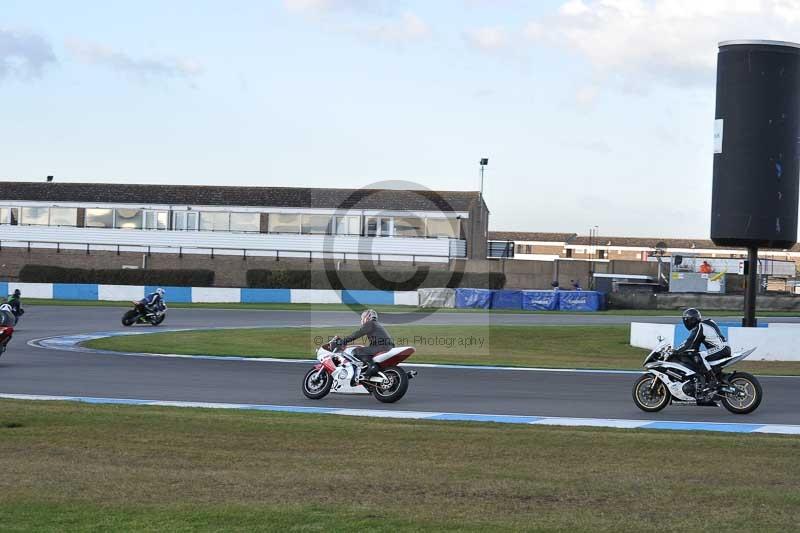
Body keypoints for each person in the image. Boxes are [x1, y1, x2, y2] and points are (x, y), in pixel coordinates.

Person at [673, 308, 731, 395]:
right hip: (723, 348)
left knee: (700, 356)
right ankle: (712, 379)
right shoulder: (706, 324)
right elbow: (695, 345)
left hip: (721, 349)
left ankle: (712, 380)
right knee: (697, 355)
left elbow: (689, 342)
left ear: (691, 320)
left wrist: (675, 351)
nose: (686, 323)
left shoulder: (700, 326)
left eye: (687, 320)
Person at [333, 309, 394, 378]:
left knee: (357, 351)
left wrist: (343, 341)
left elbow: (357, 334)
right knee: (366, 351)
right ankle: (370, 369)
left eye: (362, 317)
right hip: (387, 346)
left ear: (366, 317)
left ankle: (371, 366)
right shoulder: (376, 324)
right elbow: (374, 343)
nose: (362, 319)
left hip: (382, 347)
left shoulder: (370, 323)